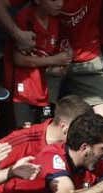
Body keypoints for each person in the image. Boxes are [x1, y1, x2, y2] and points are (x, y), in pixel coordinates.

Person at [0, 0, 103, 122]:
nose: (60, 4)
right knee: (41, 119)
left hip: (86, 59)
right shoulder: (27, 18)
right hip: (44, 65)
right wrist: (18, 34)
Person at [7, 0, 70, 128]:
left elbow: (59, 55)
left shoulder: (56, 22)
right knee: (25, 135)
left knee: (43, 133)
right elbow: (18, 59)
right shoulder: (24, 18)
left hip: (45, 91)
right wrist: (54, 60)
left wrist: (57, 67)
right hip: (23, 94)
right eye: (53, 0)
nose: (60, 4)